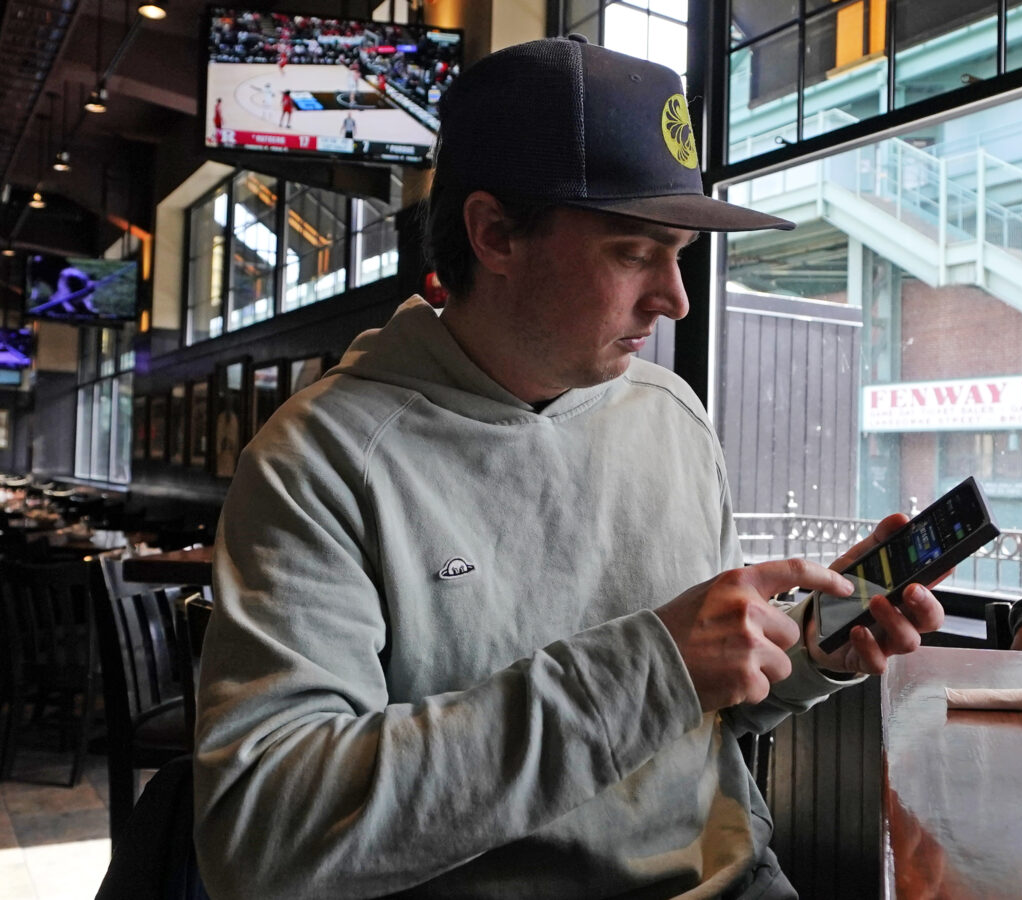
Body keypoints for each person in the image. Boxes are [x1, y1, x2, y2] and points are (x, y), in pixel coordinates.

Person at [193, 35, 944, 900]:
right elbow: (260, 835)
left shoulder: (673, 415)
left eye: (679, 254)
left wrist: (810, 652)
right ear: (495, 234)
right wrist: (652, 667)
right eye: (634, 253)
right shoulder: (318, 458)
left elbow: (697, 720)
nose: (676, 298)